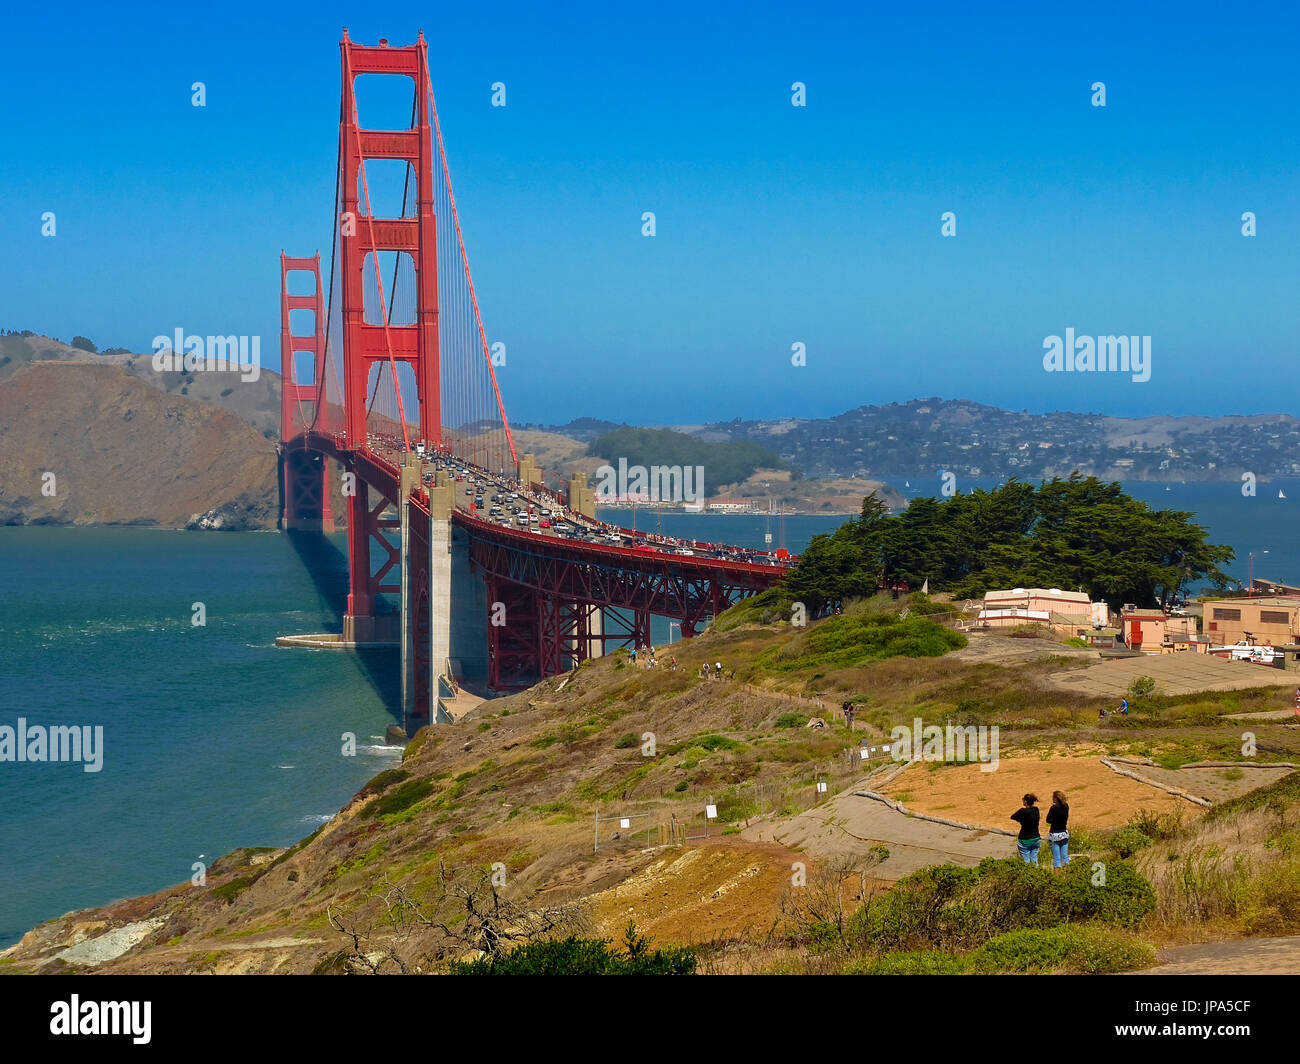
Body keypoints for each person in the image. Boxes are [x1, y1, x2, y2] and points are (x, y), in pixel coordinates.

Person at [1010, 793, 1041, 865]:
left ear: (1026, 802)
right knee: (1034, 860)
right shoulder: (1036, 809)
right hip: (1036, 838)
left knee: (1026, 861)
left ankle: (1027, 874)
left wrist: (1021, 820)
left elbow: (1013, 817)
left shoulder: (1023, 811)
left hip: (1025, 839)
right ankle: (1037, 874)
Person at [1046, 790, 1070, 871]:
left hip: (1055, 834)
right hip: (1064, 833)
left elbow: (1048, 820)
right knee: (1065, 857)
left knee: (1057, 859)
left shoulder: (1053, 808)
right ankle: (1067, 875)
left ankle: (1057, 878)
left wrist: (1054, 821)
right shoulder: (1066, 806)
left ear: (1056, 798)